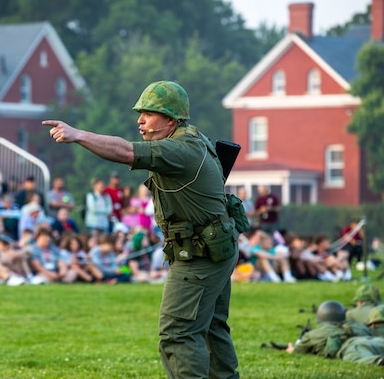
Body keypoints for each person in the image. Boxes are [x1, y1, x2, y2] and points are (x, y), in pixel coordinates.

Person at [43, 80, 240, 378]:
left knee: (178, 333)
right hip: (217, 248)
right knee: (212, 327)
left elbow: (125, 152)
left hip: (200, 257)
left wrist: (77, 134)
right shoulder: (194, 139)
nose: (140, 120)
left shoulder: (180, 149)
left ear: (171, 120)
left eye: (149, 113)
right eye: (141, 113)